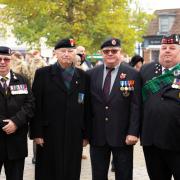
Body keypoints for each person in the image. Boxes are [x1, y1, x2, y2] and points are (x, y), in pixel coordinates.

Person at [29, 38, 90, 180]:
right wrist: (37, 133)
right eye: (63, 51)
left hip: (74, 133)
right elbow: (35, 105)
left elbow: (87, 107)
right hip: (49, 132)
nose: (66, 54)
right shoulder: (43, 74)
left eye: (70, 51)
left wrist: (86, 134)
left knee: (71, 170)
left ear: (76, 53)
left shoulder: (83, 77)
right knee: (47, 171)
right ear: (55, 53)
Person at [87, 38, 141, 180]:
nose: (110, 53)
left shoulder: (132, 74)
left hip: (123, 136)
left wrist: (133, 132)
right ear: (101, 53)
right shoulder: (91, 74)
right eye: (106, 51)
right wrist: (85, 133)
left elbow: (136, 106)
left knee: (124, 175)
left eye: (114, 51)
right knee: (98, 175)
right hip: (97, 135)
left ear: (120, 52)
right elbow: (86, 106)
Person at [140, 34, 180, 180]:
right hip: (152, 141)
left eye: (172, 48)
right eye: (164, 48)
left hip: (177, 140)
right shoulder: (146, 71)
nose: (167, 50)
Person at [0, 46, 34, 180]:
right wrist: (4, 124)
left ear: (11, 61)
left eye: (6, 59)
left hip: (16, 142)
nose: (2, 62)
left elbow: (30, 104)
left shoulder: (22, 80)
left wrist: (15, 122)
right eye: (0, 59)